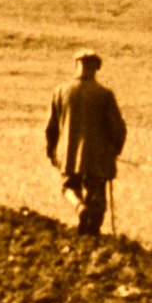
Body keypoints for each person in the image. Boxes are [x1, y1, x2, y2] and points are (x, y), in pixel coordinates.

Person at [45, 48, 127, 236]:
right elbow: (119, 129)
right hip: (97, 158)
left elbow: (51, 127)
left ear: (76, 66)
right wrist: (114, 151)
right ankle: (93, 233)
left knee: (68, 187)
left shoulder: (60, 91)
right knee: (96, 196)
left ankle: (79, 207)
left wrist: (51, 151)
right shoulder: (104, 94)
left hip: (68, 155)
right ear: (96, 68)